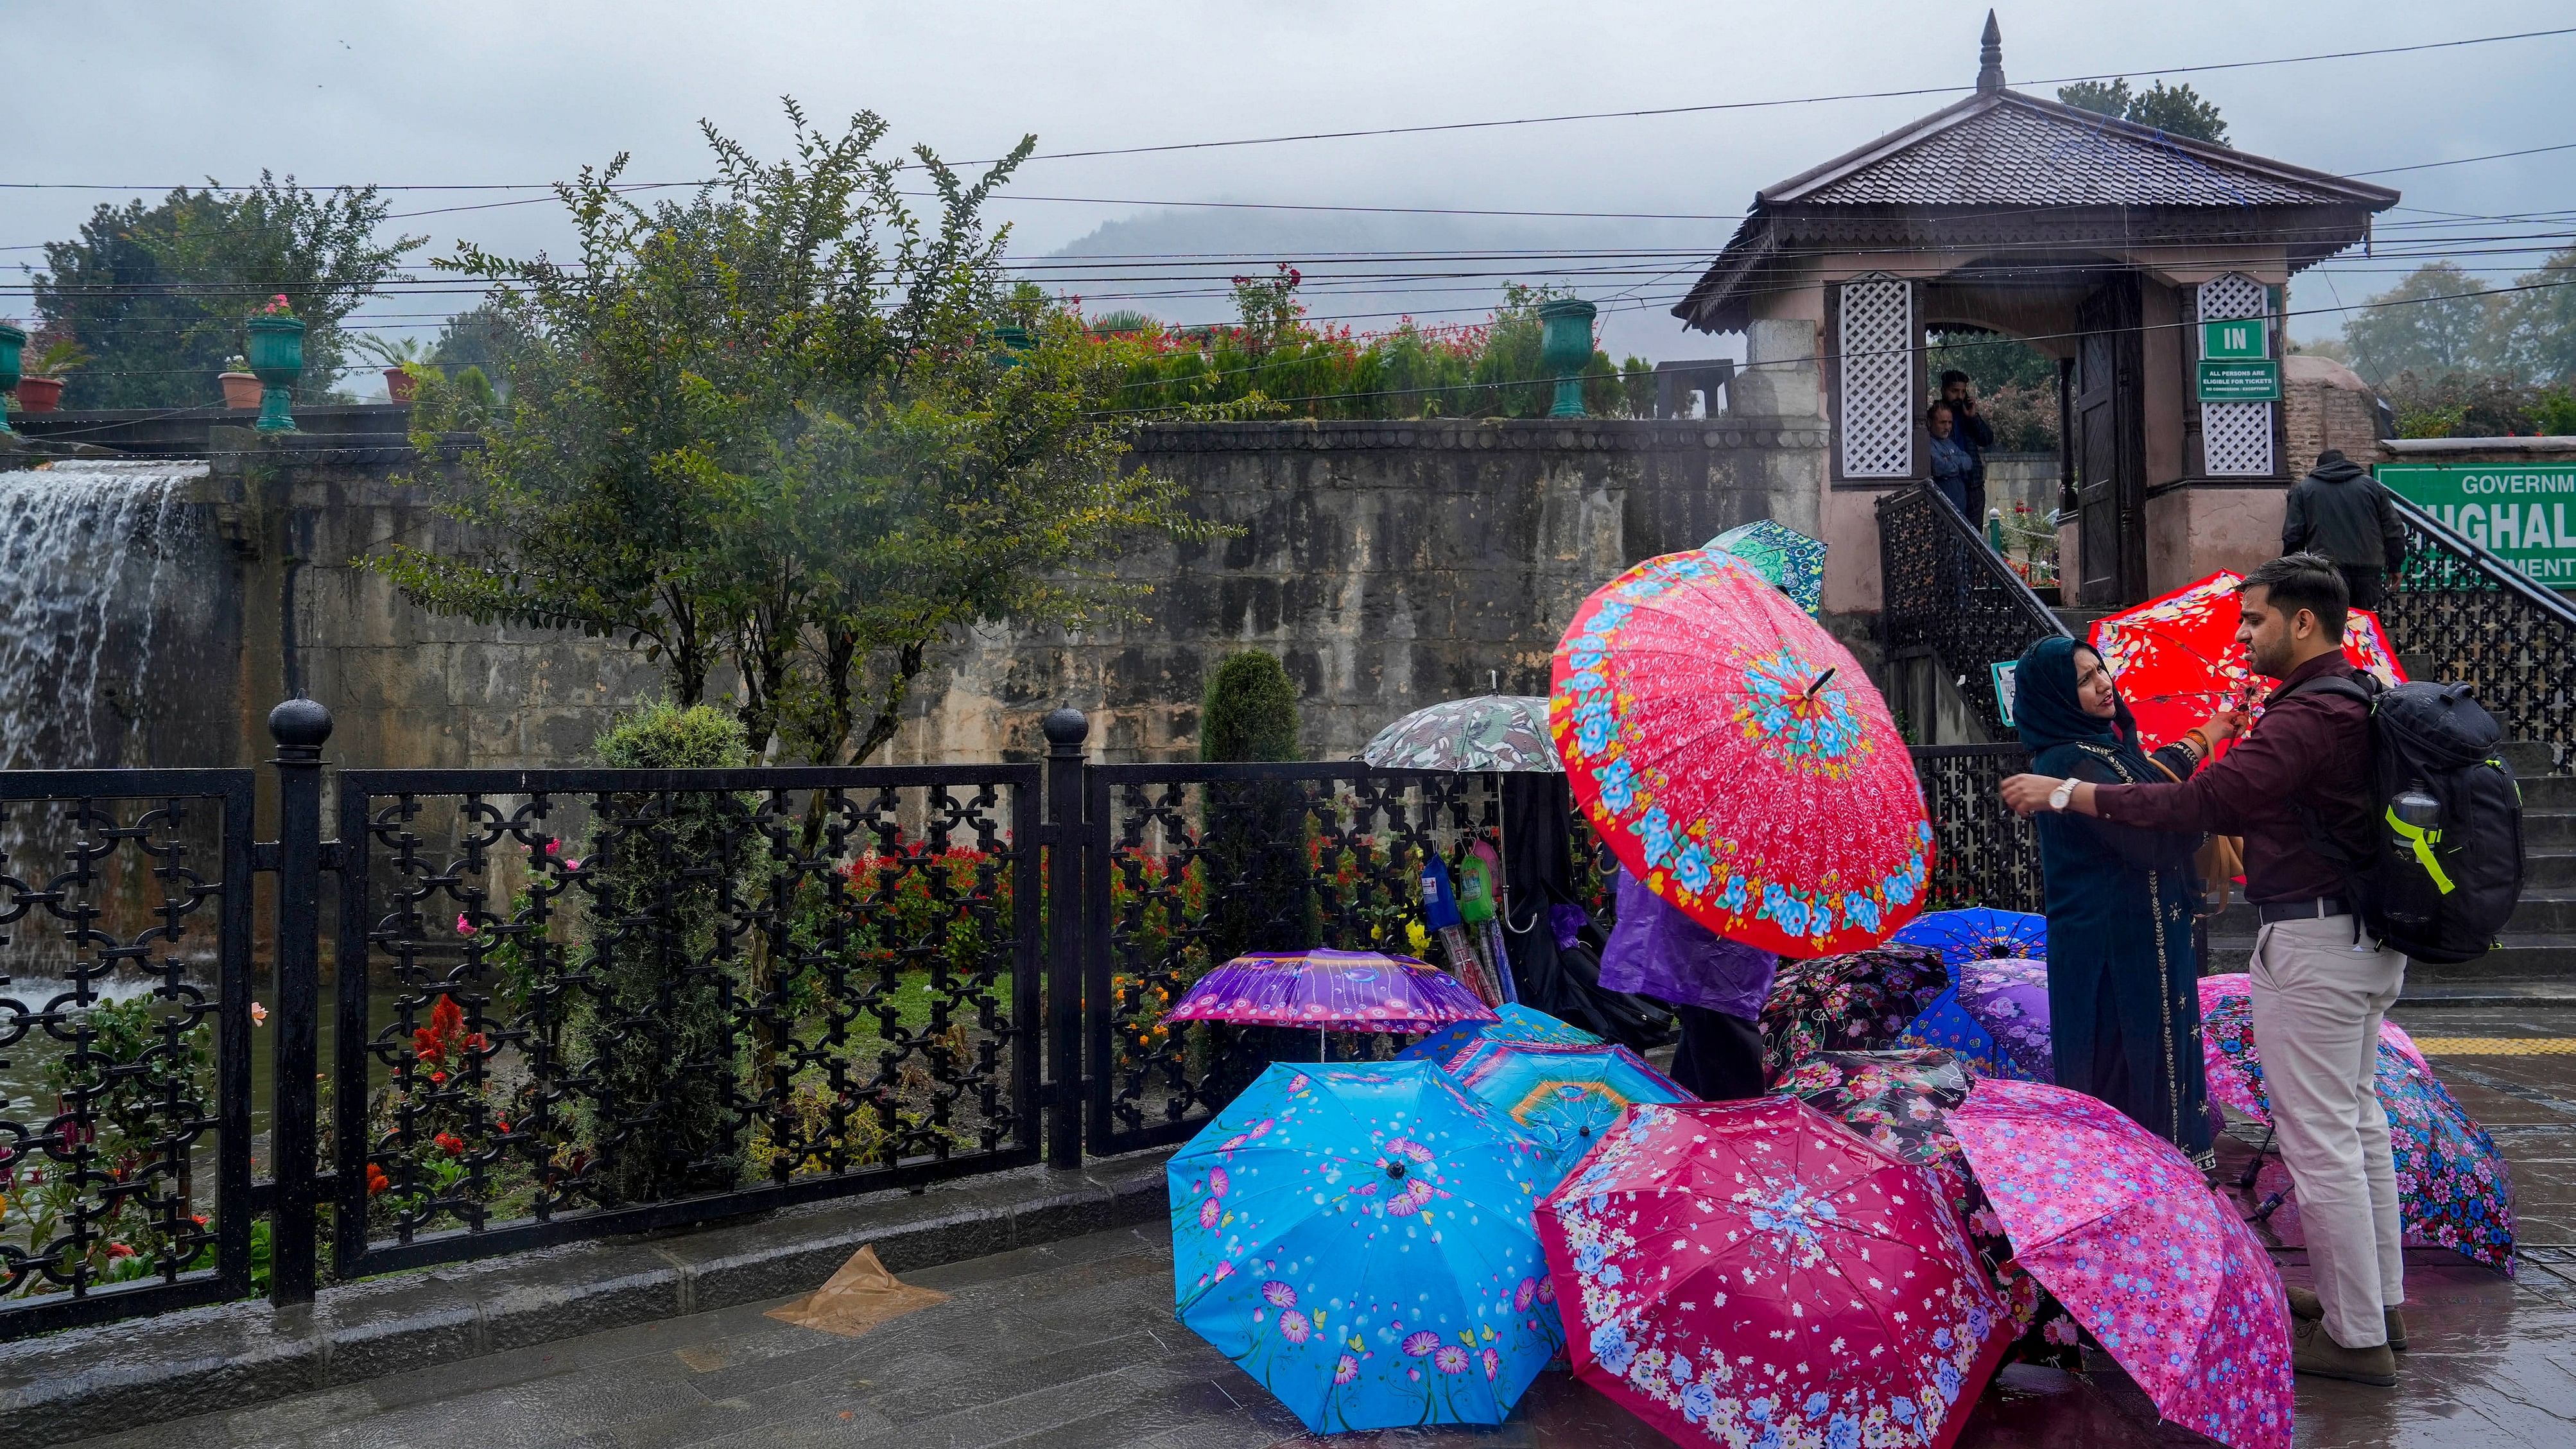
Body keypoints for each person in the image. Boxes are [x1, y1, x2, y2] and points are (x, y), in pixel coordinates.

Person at [1999, 553, 2407, 1389]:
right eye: (2084, 677)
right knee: (2352, 1126)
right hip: (2339, 938)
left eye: (2254, 620)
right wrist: (2211, 745)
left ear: (2300, 621)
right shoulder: (2345, 698)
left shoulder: (2305, 715)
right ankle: (2369, 1304)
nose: (2245, 634)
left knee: (2323, 1138)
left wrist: (2065, 794)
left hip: (2318, 942)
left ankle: (2356, 1330)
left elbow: (2193, 805)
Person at [2008, 634, 2215, 1170]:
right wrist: (2214, 800)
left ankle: (2172, 1186)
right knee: (2126, 1078)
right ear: (2054, 694)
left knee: (2158, 1072)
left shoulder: (2107, 748)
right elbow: (2149, 832)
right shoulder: (2066, 760)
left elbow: (2146, 785)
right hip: (2112, 957)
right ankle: (2144, 1194)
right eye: (2082, 678)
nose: (2103, 683)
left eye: (2100, 669)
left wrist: (2204, 738)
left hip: (2147, 943)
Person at [1598, 867, 1778, 1100]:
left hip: (1723, 945)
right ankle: (1708, 1115)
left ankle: (1722, 1118)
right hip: (1716, 938)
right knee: (1708, 1031)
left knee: (1718, 1033)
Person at [2281, 449, 2406, 608]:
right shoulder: (2372, 486)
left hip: (2327, 569)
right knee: (2362, 622)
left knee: (2331, 623)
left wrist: (2291, 568)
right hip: (2368, 569)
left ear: (2319, 467)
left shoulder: (2304, 489)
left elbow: (2293, 535)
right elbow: (2394, 529)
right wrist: (2395, 565)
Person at [1939, 370, 1998, 521]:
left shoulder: (1967, 416)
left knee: (1973, 538)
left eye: (1963, 392)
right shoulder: (1937, 418)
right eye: (1955, 391)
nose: (1959, 396)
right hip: (1949, 485)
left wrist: (1974, 418)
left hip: (1973, 486)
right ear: (1944, 390)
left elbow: (1987, 439)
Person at [1928, 403, 1977, 519]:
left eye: (1950, 423)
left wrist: (1951, 460)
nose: (1947, 427)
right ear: (1930, 422)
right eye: (1943, 422)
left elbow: (1969, 462)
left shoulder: (1950, 442)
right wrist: (1958, 467)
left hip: (1959, 508)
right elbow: (1938, 467)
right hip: (1941, 510)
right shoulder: (1928, 443)